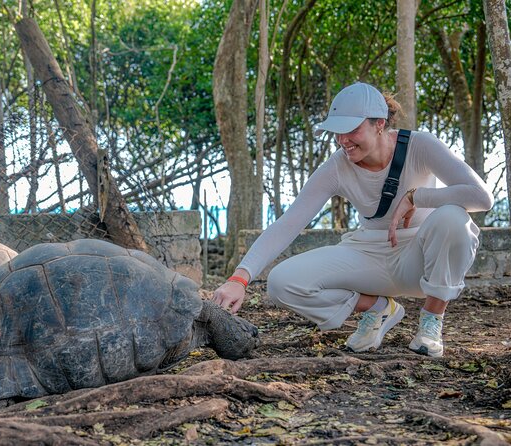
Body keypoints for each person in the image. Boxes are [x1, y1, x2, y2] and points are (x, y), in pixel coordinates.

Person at [211, 82, 494, 358]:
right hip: (370, 255)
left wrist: (417, 197)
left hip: (420, 259)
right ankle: (378, 309)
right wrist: (240, 277)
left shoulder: (420, 146)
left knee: (453, 217)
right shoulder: (337, 167)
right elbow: (289, 223)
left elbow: (482, 198)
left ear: (379, 123)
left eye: (352, 130)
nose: (343, 140)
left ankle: (431, 323)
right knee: (282, 282)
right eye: (337, 132)